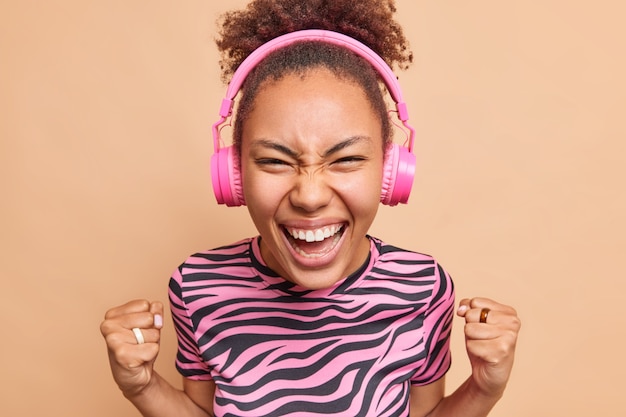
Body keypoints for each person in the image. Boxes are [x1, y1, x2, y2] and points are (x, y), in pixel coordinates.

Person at [100, 1, 521, 416]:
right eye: (275, 161)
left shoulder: (424, 289)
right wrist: (142, 387)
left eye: (346, 159)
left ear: (390, 170)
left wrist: (484, 389)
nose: (310, 195)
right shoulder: (197, 289)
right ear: (233, 174)